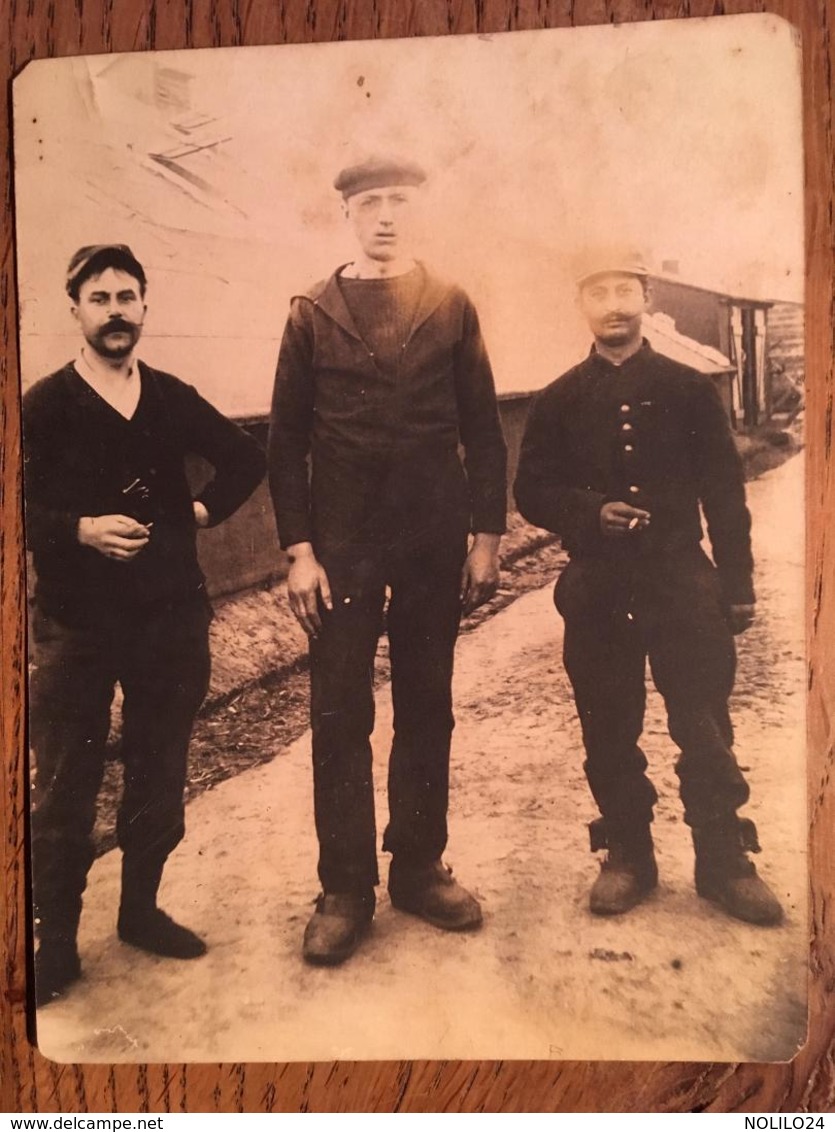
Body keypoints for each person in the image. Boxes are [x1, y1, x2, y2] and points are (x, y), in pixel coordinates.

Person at [268, 156, 508, 964]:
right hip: (341, 550)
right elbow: (285, 440)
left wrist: (485, 537)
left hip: (432, 542)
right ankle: (344, 888)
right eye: (369, 203)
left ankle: (416, 866)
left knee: (426, 703)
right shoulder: (312, 311)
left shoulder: (448, 304)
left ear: (419, 209)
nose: (385, 217)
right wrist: (298, 551)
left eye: (399, 202)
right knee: (339, 711)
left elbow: (482, 426)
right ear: (346, 213)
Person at [23, 244, 266, 1006]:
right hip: (77, 625)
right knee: (66, 784)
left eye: (129, 296)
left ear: (144, 308)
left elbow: (243, 457)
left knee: (160, 767)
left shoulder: (167, 395)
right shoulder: (43, 405)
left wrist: (198, 512)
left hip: (169, 618)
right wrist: (78, 530)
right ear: (76, 311)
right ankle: (55, 943)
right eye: (101, 298)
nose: (117, 310)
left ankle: (139, 912)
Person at [514, 247, 783, 926]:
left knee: (702, 721)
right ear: (581, 306)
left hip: (678, 579)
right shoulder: (559, 399)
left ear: (646, 300)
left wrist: (737, 585)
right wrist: (588, 512)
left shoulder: (689, 389)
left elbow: (725, 495)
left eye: (624, 290)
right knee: (607, 722)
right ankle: (627, 854)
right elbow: (531, 491)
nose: (611, 304)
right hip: (599, 585)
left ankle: (722, 859)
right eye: (596, 292)